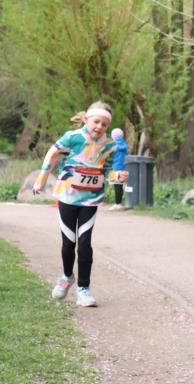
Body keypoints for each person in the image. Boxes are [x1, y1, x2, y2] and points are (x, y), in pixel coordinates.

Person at [32, 102, 117, 307]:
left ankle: (84, 289)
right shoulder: (73, 137)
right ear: (86, 119)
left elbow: (109, 170)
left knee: (85, 243)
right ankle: (67, 277)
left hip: (90, 199)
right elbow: (52, 153)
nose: (99, 127)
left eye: (104, 124)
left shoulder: (110, 145)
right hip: (67, 196)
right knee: (68, 244)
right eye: (96, 121)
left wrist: (117, 176)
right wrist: (42, 178)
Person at [105, 128, 130, 211]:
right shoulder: (124, 144)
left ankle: (117, 204)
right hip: (124, 167)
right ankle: (128, 202)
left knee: (117, 186)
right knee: (124, 186)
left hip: (117, 167)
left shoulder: (116, 145)